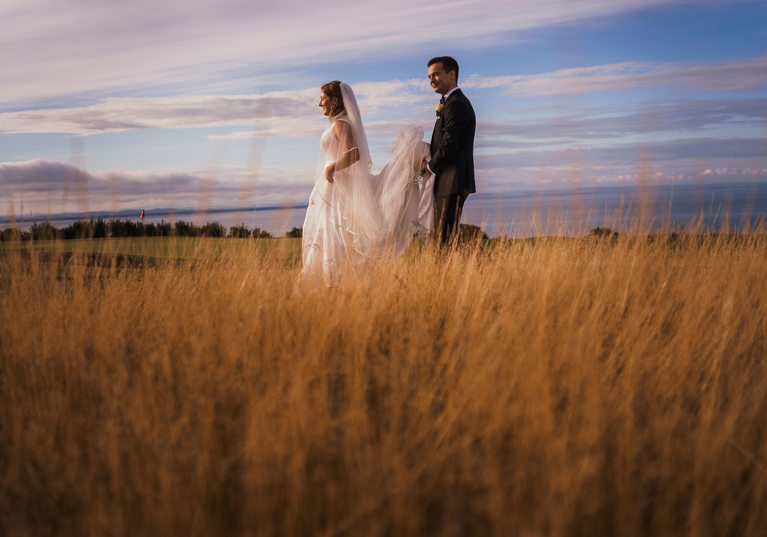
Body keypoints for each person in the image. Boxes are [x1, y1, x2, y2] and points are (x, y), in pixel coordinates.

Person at [301, 81, 433, 282]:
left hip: (338, 187)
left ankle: (334, 280)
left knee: (336, 232)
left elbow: (354, 154)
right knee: (327, 231)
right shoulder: (338, 124)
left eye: (323, 98)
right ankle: (327, 279)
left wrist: (331, 167)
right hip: (333, 186)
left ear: (335, 101)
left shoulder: (341, 125)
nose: (320, 103)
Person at [427, 56, 476, 244]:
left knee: (444, 238)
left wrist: (431, 166)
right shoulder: (448, 102)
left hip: (452, 180)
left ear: (452, 74)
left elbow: (449, 142)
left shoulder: (456, 103)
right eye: (429, 76)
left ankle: (443, 273)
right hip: (448, 180)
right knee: (448, 235)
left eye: (436, 74)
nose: (431, 80)